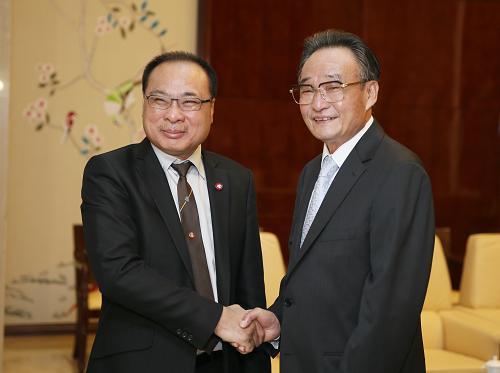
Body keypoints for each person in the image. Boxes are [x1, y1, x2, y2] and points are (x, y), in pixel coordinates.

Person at [241, 29, 435, 372]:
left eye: (333, 87)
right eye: (307, 89)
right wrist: (278, 318)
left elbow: (391, 309)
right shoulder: (312, 172)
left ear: (371, 91)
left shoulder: (400, 172)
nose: (318, 103)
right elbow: (312, 274)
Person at [81, 51, 270, 373]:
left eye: (189, 102)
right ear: (144, 103)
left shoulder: (236, 179)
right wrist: (215, 318)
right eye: (159, 100)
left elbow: (248, 284)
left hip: (224, 362)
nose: (173, 115)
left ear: (212, 110)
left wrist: (252, 351)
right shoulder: (110, 173)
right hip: (141, 362)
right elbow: (118, 273)